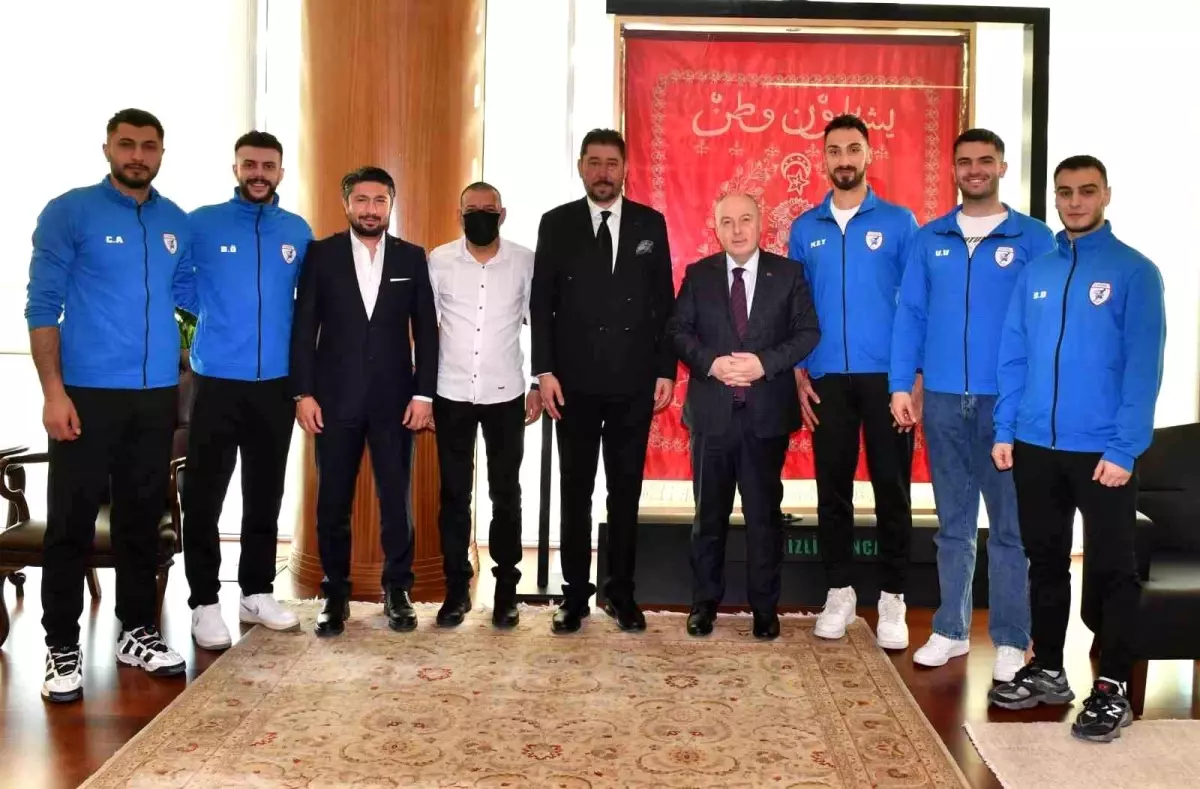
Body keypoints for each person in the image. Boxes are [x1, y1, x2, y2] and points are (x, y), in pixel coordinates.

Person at [988, 155, 1166, 743]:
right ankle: (1047, 669)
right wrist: (1006, 428)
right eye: (1065, 192)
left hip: (1103, 453)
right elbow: (1014, 355)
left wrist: (1125, 448)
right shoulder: (1036, 271)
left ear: (1106, 194)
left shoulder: (1136, 272)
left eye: (1087, 191)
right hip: (1035, 445)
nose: (1075, 201)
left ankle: (1112, 687)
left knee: (1113, 569)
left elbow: (1143, 368)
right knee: (1045, 562)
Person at [25, 108, 196, 702]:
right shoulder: (69, 211)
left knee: (140, 521)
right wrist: (53, 393)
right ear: (107, 149)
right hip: (85, 395)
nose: (137, 156)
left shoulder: (175, 221)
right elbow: (42, 306)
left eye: (149, 146)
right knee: (70, 523)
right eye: (127, 144)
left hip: (154, 396)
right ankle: (60, 645)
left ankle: (137, 631)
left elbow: (191, 295)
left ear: (161, 154)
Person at [890, 129, 1055, 681]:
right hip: (941, 400)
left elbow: (1047, 323)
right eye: (965, 161)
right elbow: (910, 314)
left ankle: (1010, 638)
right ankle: (951, 629)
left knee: (1009, 529)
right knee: (953, 527)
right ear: (954, 169)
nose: (975, 169)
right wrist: (901, 383)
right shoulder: (929, 237)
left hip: (1006, 405)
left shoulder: (1033, 237)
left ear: (1002, 167)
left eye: (986, 160)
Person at [530, 128, 676, 634]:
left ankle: (621, 593)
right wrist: (543, 371)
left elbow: (664, 302)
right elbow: (541, 303)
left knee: (625, 491)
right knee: (575, 491)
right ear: (580, 167)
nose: (603, 173)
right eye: (594, 162)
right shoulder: (557, 223)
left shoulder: (650, 223)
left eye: (612, 163)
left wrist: (665, 368)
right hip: (572, 384)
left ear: (625, 169)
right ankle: (574, 595)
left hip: (633, 383)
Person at [786, 114, 919, 649]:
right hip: (826, 380)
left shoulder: (900, 222)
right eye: (835, 150)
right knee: (832, 491)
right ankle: (839, 591)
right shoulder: (805, 228)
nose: (844, 159)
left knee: (892, 490)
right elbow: (795, 307)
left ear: (868, 155)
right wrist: (799, 370)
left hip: (888, 380)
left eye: (853, 149)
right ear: (823, 158)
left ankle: (893, 598)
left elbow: (916, 305)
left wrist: (911, 378)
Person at [289, 166, 438, 636]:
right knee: (332, 502)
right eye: (361, 200)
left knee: (396, 501)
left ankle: (398, 591)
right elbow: (303, 327)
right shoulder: (321, 255)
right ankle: (335, 594)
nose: (370, 209)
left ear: (391, 205)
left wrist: (424, 393)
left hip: (397, 402)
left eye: (379, 200)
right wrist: (303, 393)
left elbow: (427, 331)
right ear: (346, 204)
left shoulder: (412, 257)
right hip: (333, 402)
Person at [182, 131, 314, 650]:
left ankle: (256, 592)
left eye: (268, 165)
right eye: (249, 164)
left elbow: (307, 302)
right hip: (216, 380)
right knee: (204, 496)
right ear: (235, 168)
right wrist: (215, 315)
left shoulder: (296, 230)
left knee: (265, 494)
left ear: (281, 171)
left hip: (275, 386)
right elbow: (177, 281)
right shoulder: (202, 222)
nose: (259, 173)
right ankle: (204, 601)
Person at [667, 193, 820, 639]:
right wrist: (712, 364)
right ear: (715, 228)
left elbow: (808, 332)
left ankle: (765, 609)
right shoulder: (699, 275)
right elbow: (677, 330)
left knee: (764, 518)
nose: (737, 230)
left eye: (746, 219)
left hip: (765, 418)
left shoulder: (788, 274)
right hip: (711, 417)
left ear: (760, 223)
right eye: (728, 222)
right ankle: (703, 604)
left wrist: (764, 364)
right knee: (708, 518)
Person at [427, 182, 542, 629]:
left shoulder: (525, 261)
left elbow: (541, 325)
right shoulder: (439, 261)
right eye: (471, 209)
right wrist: (422, 393)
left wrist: (536, 383)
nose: (479, 215)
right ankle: (456, 591)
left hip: (505, 394)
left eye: (488, 209)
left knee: (506, 495)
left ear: (502, 214)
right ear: (459, 215)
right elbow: (425, 327)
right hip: (451, 392)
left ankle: (506, 590)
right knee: (455, 496)